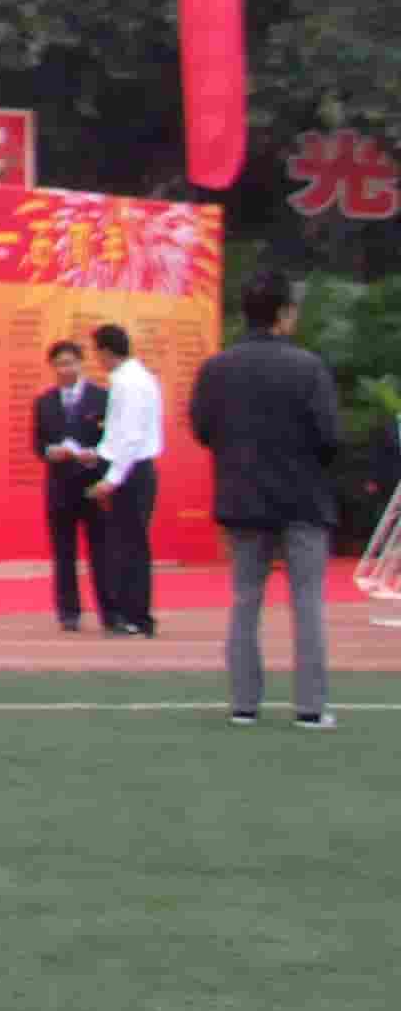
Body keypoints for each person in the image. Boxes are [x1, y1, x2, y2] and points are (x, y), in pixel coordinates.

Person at [187, 270, 341, 727]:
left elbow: (203, 430)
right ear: (284, 314)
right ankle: (310, 708)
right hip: (303, 499)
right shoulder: (308, 367)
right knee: (308, 605)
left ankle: (244, 705)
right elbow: (329, 437)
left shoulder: (217, 368)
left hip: (242, 497)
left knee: (244, 602)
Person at [89, 322, 166, 637]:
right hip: (131, 468)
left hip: (132, 471)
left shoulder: (130, 382)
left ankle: (136, 616)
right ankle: (130, 613)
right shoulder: (133, 378)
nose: (97, 359)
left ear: (107, 352)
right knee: (126, 543)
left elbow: (131, 436)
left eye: (97, 353)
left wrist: (112, 478)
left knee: (130, 545)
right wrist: (100, 454)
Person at [34, 336, 112, 630]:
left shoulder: (101, 398)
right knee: (63, 553)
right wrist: (50, 451)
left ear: (81, 363)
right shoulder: (45, 402)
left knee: (101, 552)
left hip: (93, 485)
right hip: (60, 486)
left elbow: (112, 438)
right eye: (58, 365)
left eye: (69, 363)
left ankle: (109, 611)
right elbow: (38, 442)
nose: (64, 370)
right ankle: (69, 613)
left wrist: (97, 455)